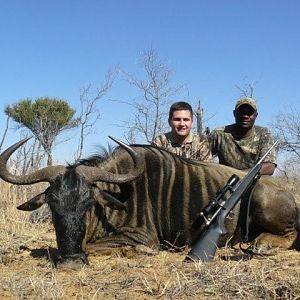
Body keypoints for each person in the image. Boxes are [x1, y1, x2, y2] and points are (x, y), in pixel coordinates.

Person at [209, 97, 277, 175]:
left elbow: (269, 167)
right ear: (234, 114)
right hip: (224, 181)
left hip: (254, 181)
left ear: (256, 115)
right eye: (241, 112)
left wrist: (240, 176)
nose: (245, 116)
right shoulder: (219, 134)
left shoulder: (264, 134)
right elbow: (203, 160)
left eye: (249, 112)